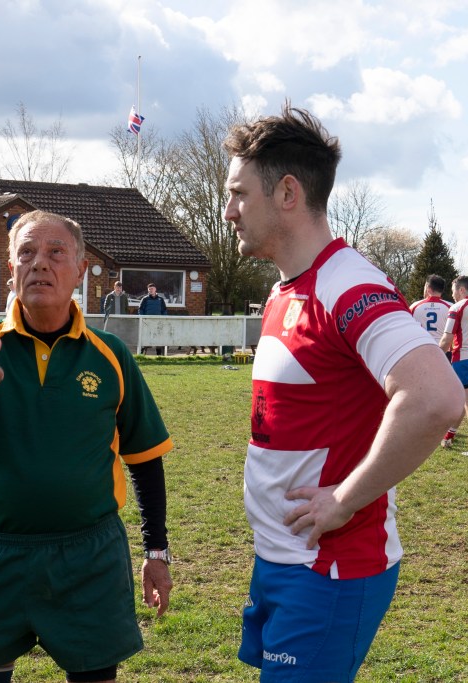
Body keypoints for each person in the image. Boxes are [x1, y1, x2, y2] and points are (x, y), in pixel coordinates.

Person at [223, 104, 463, 681]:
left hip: (329, 568)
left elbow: (437, 399)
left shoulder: (346, 283)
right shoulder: (287, 291)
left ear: (287, 193)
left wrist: (346, 498)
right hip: (281, 558)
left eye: (238, 194)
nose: (228, 210)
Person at [0, 210, 174, 683]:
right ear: (10, 269)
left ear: (80, 270)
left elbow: (145, 458)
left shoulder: (110, 354)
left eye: (56, 253)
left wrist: (157, 552)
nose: (40, 264)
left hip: (88, 558)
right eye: (26, 253)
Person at [438, 275, 468, 448]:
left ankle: (448, 435)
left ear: (462, 290)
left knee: (459, 402)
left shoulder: (457, 307)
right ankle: (449, 436)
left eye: (454, 291)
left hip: (462, 360)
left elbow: (446, 338)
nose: (453, 295)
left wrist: (436, 356)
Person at [410, 274, 452, 343]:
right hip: (443, 348)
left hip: (421, 346)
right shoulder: (451, 307)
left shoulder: (414, 306)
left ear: (428, 288)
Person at [138, 284, 166, 355]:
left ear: (155, 289)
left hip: (158, 322)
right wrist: (143, 318)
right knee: (146, 337)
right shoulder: (145, 299)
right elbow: (140, 310)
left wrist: (164, 319)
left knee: (158, 337)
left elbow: (164, 310)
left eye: (152, 288)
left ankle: (159, 354)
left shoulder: (161, 299)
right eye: (149, 289)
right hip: (148, 322)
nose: (151, 290)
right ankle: (142, 353)